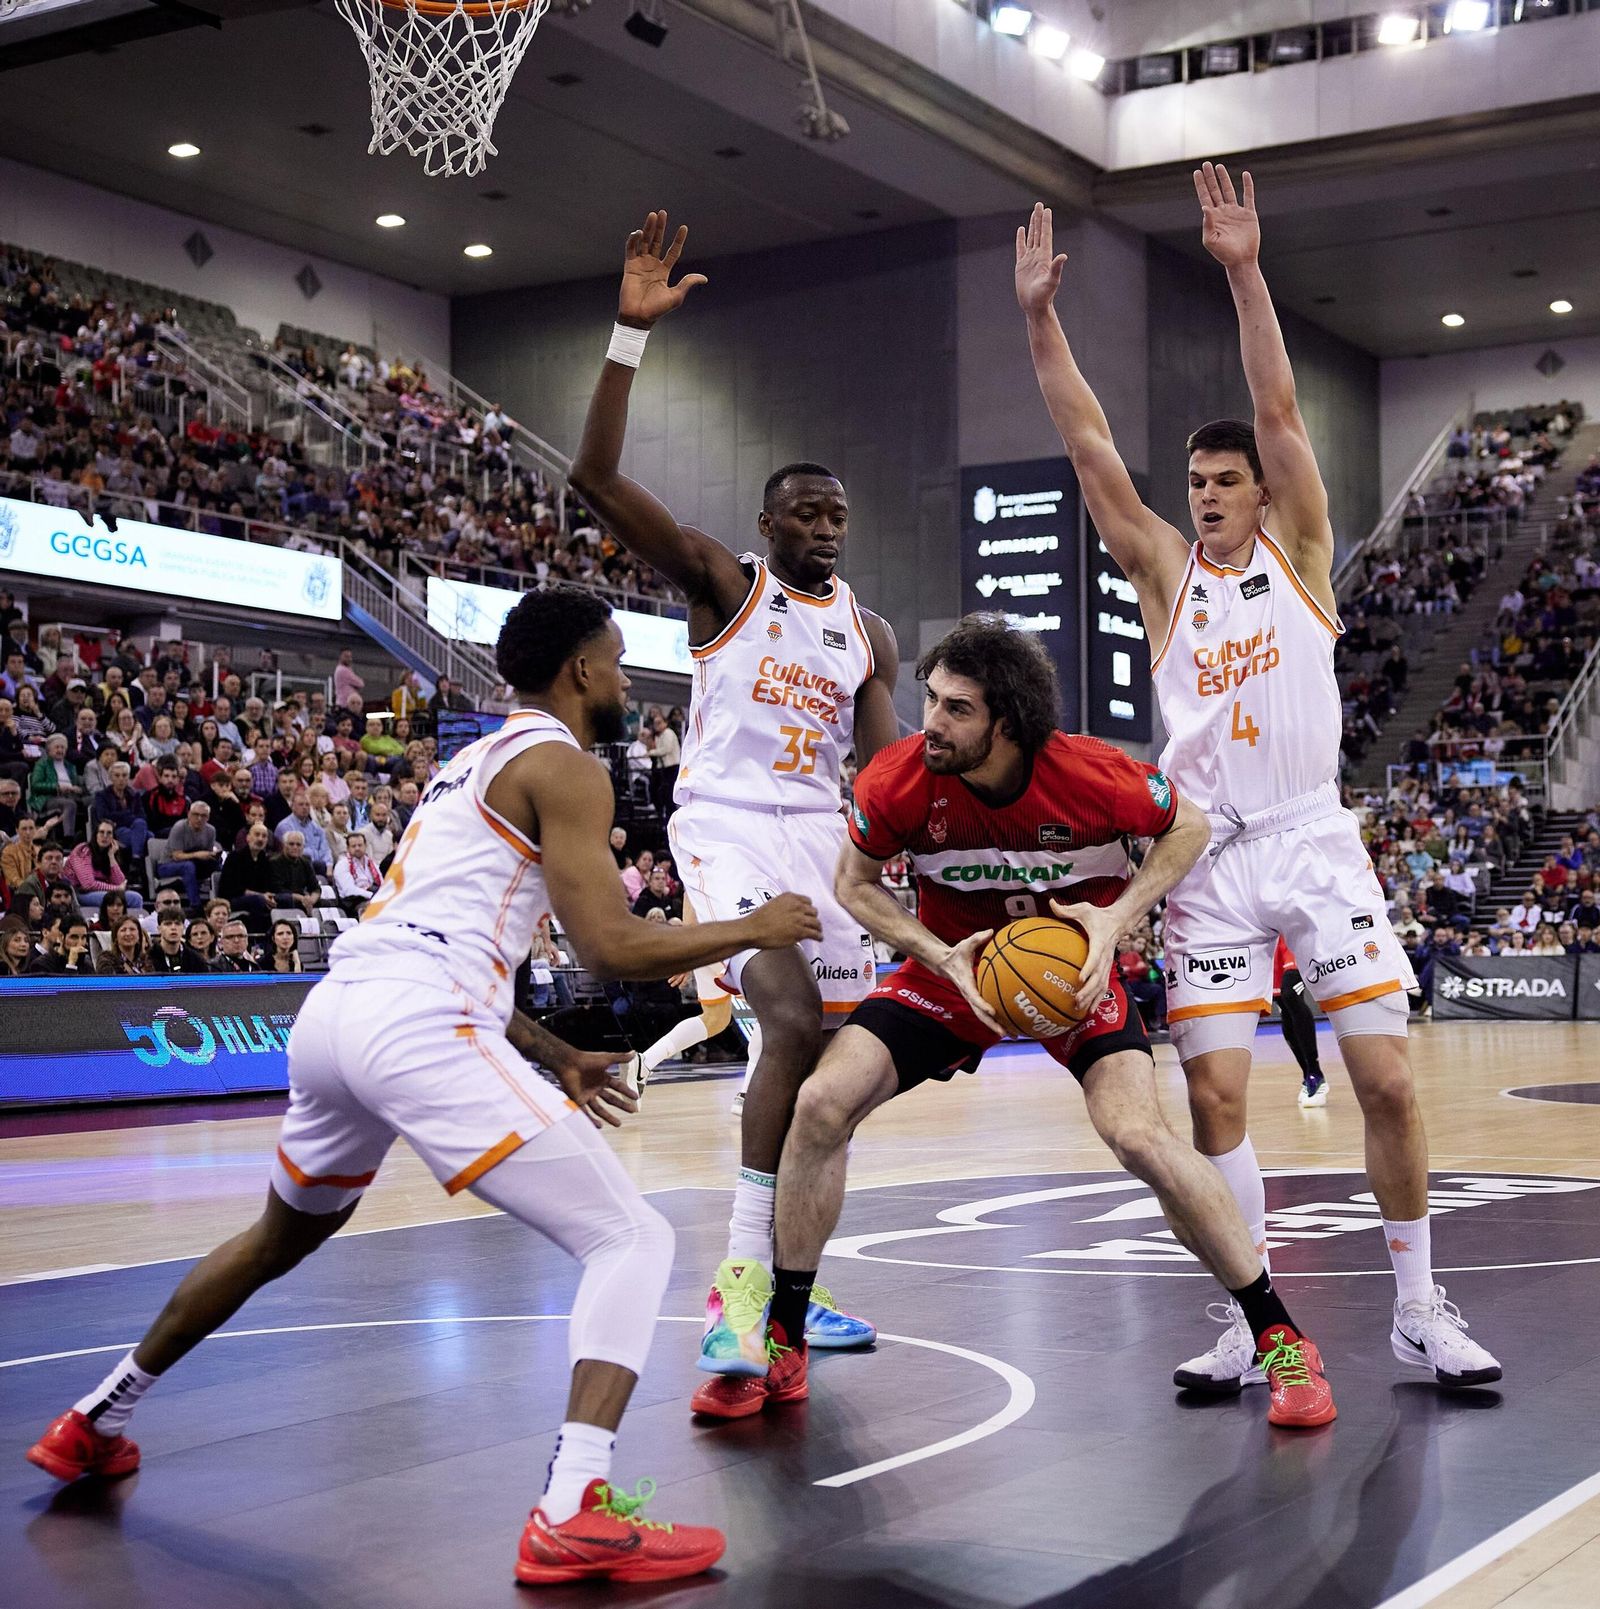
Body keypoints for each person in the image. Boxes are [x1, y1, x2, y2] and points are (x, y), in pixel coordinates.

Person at [26, 584, 820, 1585]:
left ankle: (96, 1418)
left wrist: (554, 1050)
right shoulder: (568, 768)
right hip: (416, 1021)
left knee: (281, 1235)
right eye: (616, 661)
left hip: (339, 1011)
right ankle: (576, 1504)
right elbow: (611, 944)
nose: (624, 681)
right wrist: (758, 924)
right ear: (580, 670)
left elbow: (436, 937)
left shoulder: (464, 766)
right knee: (632, 1235)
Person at [1015, 172, 1499, 1391]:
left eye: (1227, 481)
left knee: (1384, 1077)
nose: (1208, 494)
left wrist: (1241, 268)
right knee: (1217, 1103)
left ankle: (1414, 1305)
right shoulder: (1164, 576)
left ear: (1264, 494)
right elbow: (1085, 444)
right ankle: (1249, 1314)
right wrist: (1037, 319)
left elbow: (1277, 403)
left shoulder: (1302, 556)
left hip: (1310, 838)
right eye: (1198, 484)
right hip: (1205, 860)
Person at [765, 616, 1333, 1429]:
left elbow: (1192, 826)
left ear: (1008, 723)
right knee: (821, 1103)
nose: (930, 723)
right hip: (957, 968)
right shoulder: (898, 779)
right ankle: (781, 1338)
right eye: (930, 699)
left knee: (1139, 1136)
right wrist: (938, 951)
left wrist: (1118, 918)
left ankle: (1279, 1335)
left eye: (956, 709)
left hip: (1073, 975)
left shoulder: (1093, 774)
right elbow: (854, 883)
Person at [567, 210, 901, 1373]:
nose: (824, 527)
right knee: (792, 1021)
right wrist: (626, 335)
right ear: (768, 525)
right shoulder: (726, 582)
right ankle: (739, 1289)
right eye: (805, 513)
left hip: (822, 837)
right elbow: (595, 476)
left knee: (833, 1078)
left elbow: (887, 773)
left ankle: (791, 1290)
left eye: (837, 515)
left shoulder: (871, 632)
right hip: (724, 824)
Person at [1272, 938, 1325, 1109]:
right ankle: (1308, 1074)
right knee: (1284, 1005)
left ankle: (1315, 1073)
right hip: (1268, 939)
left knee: (1290, 994)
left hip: (1291, 934)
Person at [331, 831, 382, 915]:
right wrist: (372, 896)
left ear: (365, 846)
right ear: (348, 848)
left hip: (373, 897)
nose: (357, 848)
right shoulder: (342, 865)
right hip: (353, 902)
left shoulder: (372, 864)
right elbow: (349, 890)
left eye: (360, 845)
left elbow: (382, 884)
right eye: (353, 846)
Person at [146, 909, 211, 973]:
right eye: (168, 924)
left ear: (183, 928)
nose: (173, 928)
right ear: (159, 929)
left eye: (177, 924)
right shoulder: (148, 957)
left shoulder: (196, 960)